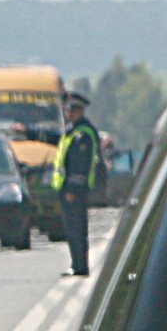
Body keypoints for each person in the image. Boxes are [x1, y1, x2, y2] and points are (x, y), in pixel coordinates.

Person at [55, 90, 104, 277]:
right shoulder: (73, 131)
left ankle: (80, 266)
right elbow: (55, 137)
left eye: (73, 110)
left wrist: (72, 189)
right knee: (72, 228)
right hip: (70, 189)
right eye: (68, 110)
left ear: (80, 111)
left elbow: (79, 166)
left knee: (76, 228)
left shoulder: (83, 134)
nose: (70, 113)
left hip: (75, 190)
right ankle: (77, 264)